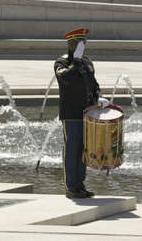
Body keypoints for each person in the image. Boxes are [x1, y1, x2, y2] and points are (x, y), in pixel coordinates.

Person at [54, 27, 102, 199]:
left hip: (87, 114)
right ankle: (71, 187)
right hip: (71, 113)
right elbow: (65, 78)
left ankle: (80, 184)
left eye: (84, 42)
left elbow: (94, 84)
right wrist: (75, 61)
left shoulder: (87, 62)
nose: (83, 45)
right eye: (80, 42)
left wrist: (97, 100)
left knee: (83, 150)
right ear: (71, 43)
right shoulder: (62, 62)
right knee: (72, 149)